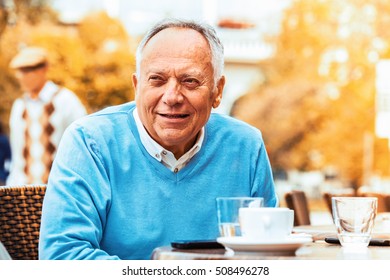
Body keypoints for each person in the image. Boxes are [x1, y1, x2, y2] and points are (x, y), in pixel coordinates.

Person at [39, 18, 278, 260]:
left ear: (217, 91)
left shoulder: (246, 146)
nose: (172, 96)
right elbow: (62, 257)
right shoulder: (89, 143)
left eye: (190, 81)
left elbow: (271, 253)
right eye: (157, 80)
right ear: (137, 86)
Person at [7, 46, 87, 185]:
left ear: (43, 69)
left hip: (61, 189)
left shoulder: (66, 100)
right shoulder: (19, 106)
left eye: (27, 70)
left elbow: (83, 145)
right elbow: (17, 157)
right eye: (19, 71)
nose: (21, 76)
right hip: (23, 193)